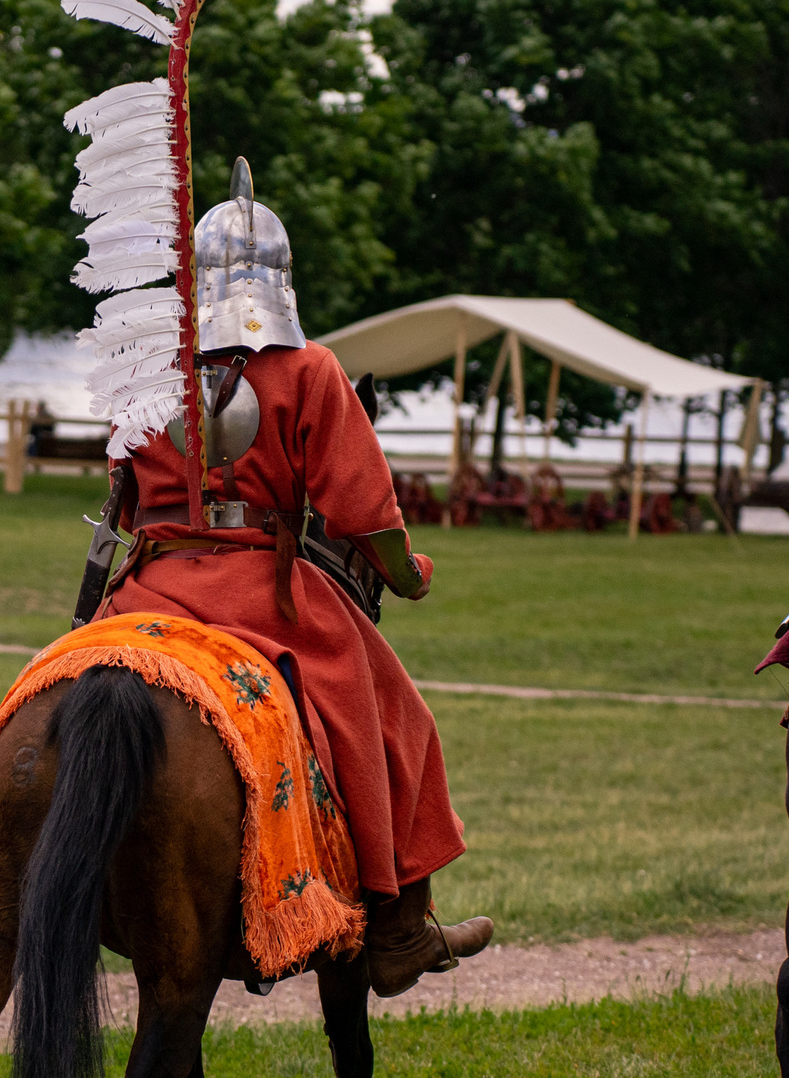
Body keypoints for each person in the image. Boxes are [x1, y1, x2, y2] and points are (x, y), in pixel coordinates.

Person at [93, 159, 493, 999]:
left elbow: (122, 503)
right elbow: (364, 516)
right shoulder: (310, 370)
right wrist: (406, 576)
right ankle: (394, 924)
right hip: (263, 599)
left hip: (148, 592)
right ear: (281, 279)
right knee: (395, 717)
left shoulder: (148, 370)